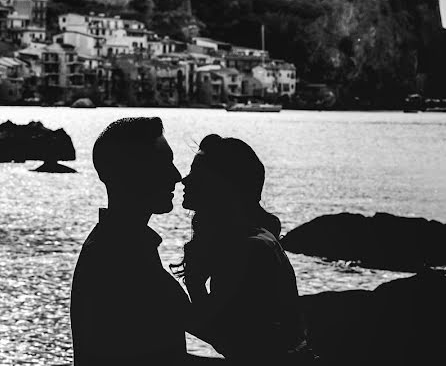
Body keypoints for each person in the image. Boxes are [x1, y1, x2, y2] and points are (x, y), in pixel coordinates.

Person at [178, 134, 316, 364]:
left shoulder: (249, 249)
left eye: (197, 173)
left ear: (223, 185)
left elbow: (233, 344)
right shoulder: (247, 240)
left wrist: (191, 289)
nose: (185, 180)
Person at [70, 117, 192, 365]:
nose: (177, 176)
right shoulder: (117, 255)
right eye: (164, 164)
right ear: (132, 171)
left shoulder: (120, 245)